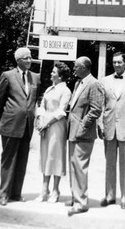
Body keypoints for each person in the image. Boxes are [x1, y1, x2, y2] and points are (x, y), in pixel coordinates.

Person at [0, 47, 41, 206]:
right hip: (10, 125)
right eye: (26, 58)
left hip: (27, 126)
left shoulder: (35, 77)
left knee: (22, 161)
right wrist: (6, 118)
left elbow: (34, 101)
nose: (30, 60)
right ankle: (4, 194)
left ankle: (16, 193)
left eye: (30, 58)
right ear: (18, 60)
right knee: (8, 161)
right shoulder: (7, 76)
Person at [98, 52, 125, 210]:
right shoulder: (105, 81)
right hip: (109, 128)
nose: (116, 65)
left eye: (119, 62)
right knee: (109, 164)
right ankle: (110, 195)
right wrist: (100, 124)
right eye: (114, 62)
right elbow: (101, 105)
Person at [66, 56, 104, 216]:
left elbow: (95, 109)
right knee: (73, 166)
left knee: (80, 167)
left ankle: (81, 202)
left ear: (84, 67)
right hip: (73, 131)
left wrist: (82, 127)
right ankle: (76, 197)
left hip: (83, 133)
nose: (73, 69)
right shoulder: (78, 83)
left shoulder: (94, 84)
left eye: (76, 66)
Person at [34, 62, 71, 203]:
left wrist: (47, 123)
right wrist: (40, 120)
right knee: (45, 155)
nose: (51, 74)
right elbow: (42, 105)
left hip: (56, 127)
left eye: (54, 72)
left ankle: (55, 190)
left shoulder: (65, 91)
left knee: (55, 156)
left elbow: (62, 111)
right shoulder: (49, 89)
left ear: (60, 76)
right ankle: (44, 189)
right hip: (45, 126)